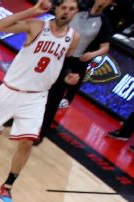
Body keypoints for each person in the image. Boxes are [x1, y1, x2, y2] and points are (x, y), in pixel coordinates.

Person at [0, 0, 82, 202]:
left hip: (37, 96)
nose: (66, 12)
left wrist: (67, 77)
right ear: (57, 9)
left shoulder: (73, 38)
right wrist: (33, 11)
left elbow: (63, 63)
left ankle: (8, 185)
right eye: (64, 7)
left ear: (76, 13)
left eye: (71, 9)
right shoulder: (37, 26)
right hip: (10, 91)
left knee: (27, 141)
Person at [38, 0, 118, 145]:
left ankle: (42, 129)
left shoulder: (104, 22)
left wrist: (93, 54)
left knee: (55, 96)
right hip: (55, 51)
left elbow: (105, 47)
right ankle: (18, 117)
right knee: (36, 85)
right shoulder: (79, 9)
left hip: (72, 60)